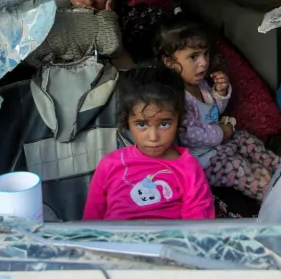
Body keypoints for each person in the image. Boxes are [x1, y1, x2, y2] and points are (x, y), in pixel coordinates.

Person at [156, 19, 280, 201]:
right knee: (240, 168)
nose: (204, 62)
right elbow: (188, 134)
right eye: (193, 57)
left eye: (205, 54)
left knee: (246, 139)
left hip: (220, 143)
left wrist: (220, 93)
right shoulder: (175, 97)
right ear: (169, 61)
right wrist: (221, 132)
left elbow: (214, 113)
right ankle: (274, 195)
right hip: (204, 160)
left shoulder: (202, 86)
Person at [82, 67, 214, 221]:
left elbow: (198, 227)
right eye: (141, 124)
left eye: (164, 124)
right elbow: (91, 221)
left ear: (178, 119)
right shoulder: (110, 165)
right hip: (116, 243)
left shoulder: (188, 168)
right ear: (127, 123)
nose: (153, 137)